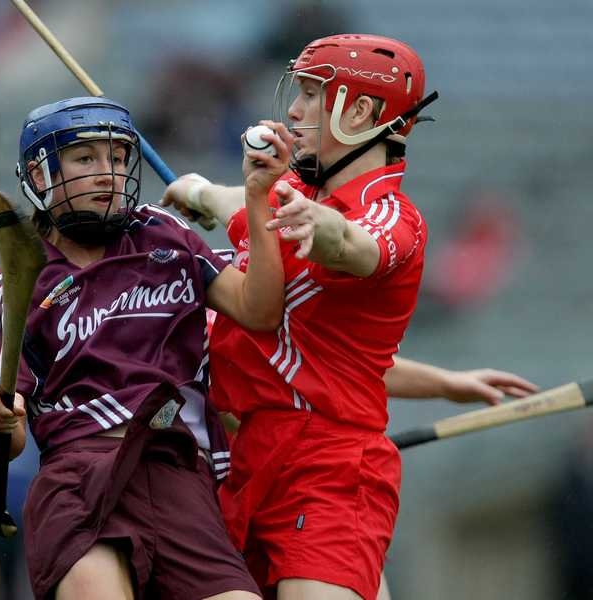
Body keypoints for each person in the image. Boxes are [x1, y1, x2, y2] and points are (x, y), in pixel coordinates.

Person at [159, 33, 533, 600]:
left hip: (328, 474)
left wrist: (321, 228)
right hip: (248, 460)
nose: (293, 109)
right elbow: (327, 355)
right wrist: (199, 190)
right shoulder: (286, 193)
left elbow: (355, 245)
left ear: (358, 112)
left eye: (312, 94)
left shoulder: (392, 219)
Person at [0, 96, 293, 600]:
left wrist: (258, 198)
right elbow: (8, 439)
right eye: (86, 159)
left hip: (176, 468)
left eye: (118, 158)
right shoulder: (14, 285)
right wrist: (0, 421)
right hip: (79, 477)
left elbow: (259, 311)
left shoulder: (162, 232)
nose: (108, 173)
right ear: (39, 177)